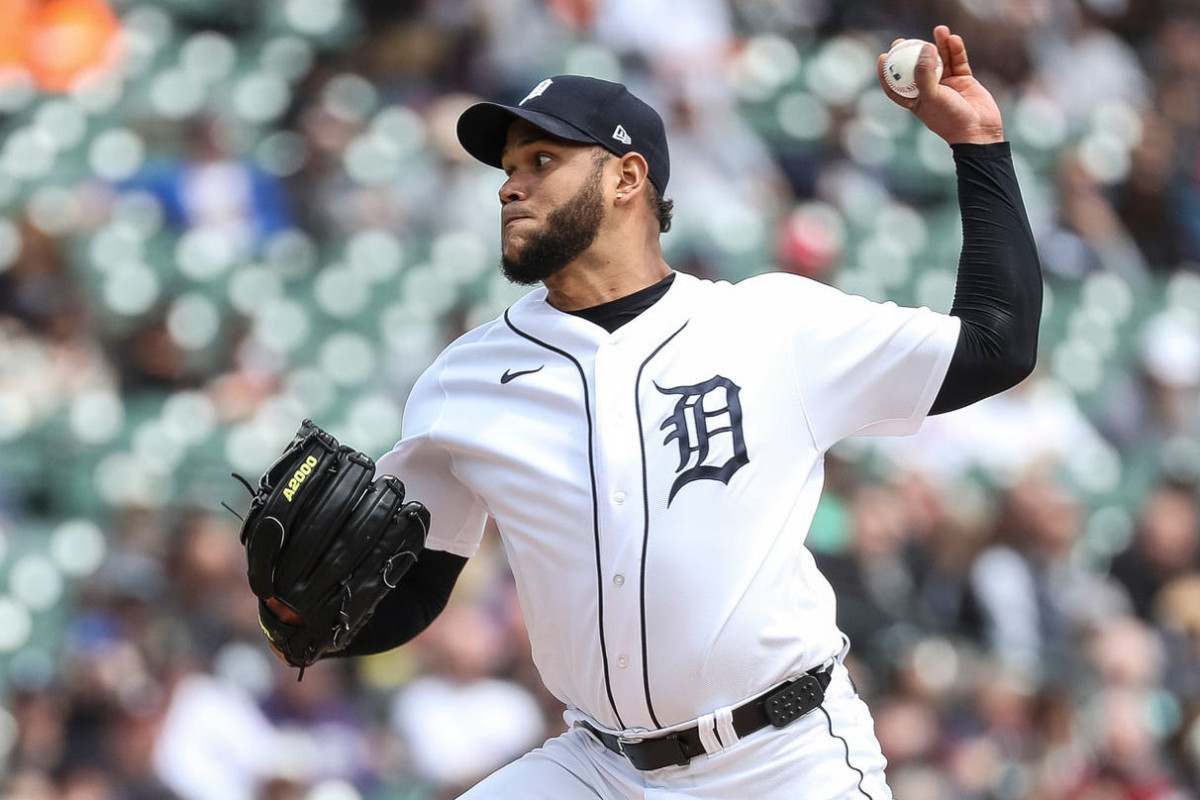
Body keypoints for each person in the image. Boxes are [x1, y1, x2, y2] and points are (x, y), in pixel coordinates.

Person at [265, 25, 1042, 799]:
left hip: (782, 760)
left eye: (542, 161)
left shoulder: (770, 325)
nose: (510, 186)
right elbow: (417, 585)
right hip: (600, 769)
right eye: (506, 169)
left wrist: (979, 145)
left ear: (627, 177)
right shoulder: (461, 380)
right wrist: (299, 620)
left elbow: (996, 345)